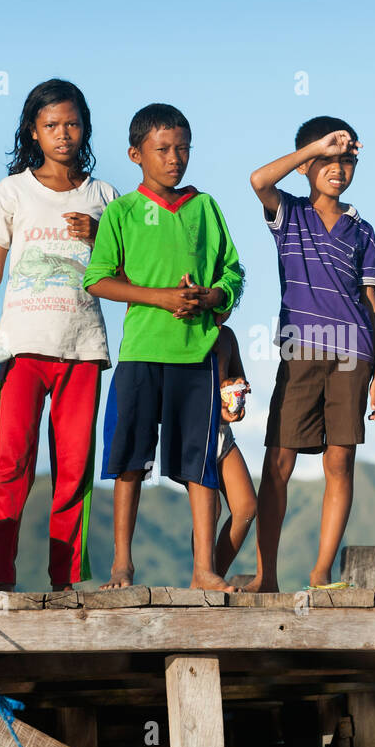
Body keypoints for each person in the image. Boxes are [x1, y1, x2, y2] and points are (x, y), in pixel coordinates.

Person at [0, 79, 118, 590]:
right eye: (51, 125)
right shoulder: (12, 191)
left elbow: (122, 273)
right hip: (22, 349)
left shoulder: (105, 197)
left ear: (85, 127)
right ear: (33, 131)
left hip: (83, 349)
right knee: (11, 464)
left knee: (74, 471)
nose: (63, 134)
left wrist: (102, 237)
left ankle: (64, 583)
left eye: (71, 123)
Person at [83, 103, 244, 591]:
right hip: (140, 352)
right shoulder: (123, 212)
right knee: (129, 460)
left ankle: (204, 570)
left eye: (183, 148)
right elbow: (98, 279)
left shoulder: (205, 207)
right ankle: (121, 566)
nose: (175, 158)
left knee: (201, 465)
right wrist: (160, 297)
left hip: (195, 355)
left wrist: (210, 297)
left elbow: (232, 273)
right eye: (162, 149)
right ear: (136, 154)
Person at [247, 116, 375, 592]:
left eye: (346, 159)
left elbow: (370, 301)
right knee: (278, 461)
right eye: (326, 159)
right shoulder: (290, 213)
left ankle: (320, 572)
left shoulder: (362, 230)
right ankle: (267, 576)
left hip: (354, 354)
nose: (337, 167)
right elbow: (258, 180)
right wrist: (315, 147)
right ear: (306, 164)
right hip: (300, 350)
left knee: (339, 460)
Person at [210, 324, 256, 578]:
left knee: (246, 507)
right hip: (194, 428)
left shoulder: (227, 335)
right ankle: (203, 575)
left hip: (222, 431)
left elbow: (238, 378)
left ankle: (214, 576)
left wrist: (237, 394)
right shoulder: (185, 327)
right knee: (211, 509)